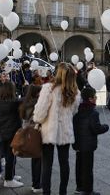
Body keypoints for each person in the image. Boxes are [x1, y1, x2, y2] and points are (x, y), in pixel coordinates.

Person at [33, 63, 81, 195]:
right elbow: (74, 111)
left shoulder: (48, 88)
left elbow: (40, 112)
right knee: (64, 162)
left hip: (49, 130)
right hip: (65, 131)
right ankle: (62, 192)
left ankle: (46, 192)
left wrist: (37, 121)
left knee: (47, 164)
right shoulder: (75, 92)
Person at [73, 87, 109, 195]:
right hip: (88, 145)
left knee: (79, 165)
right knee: (88, 168)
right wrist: (105, 127)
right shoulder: (93, 113)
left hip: (78, 143)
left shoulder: (77, 109)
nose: (96, 98)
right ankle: (87, 190)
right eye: (95, 97)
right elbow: (96, 128)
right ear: (90, 99)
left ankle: (79, 187)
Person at [0, 81, 23, 188]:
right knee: (11, 155)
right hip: (12, 132)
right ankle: (8, 179)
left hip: (2, 131)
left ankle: (11, 175)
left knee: (8, 155)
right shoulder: (14, 103)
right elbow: (24, 99)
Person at [19, 85, 43, 193]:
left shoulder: (25, 104)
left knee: (35, 159)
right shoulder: (37, 104)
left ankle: (35, 183)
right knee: (39, 159)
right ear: (37, 93)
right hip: (37, 134)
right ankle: (37, 184)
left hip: (29, 134)